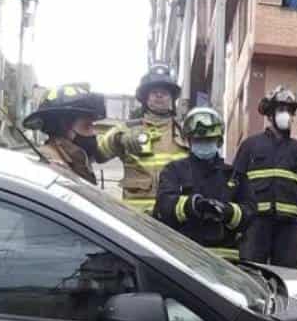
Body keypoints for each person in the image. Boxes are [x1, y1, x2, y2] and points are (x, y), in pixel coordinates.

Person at [233, 86, 297, 268]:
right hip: (255, 224)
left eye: (289, 111)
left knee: (287, 276)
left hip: (289, 227)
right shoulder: (250, 146)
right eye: (281, 110)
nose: (286, 115)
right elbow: (234, 183)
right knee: (252, 274)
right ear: (270, 115)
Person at [156, 107, 254, 261]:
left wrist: (226, 211)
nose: (204, 144)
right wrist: (192, 205)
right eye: (198, 140)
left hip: (227, 263)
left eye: (209, 140)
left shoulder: (234, 175)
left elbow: (250, 214)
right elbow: (164, 207)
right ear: (189, 141)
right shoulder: (174, 170)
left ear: (219, 141)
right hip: (185, 257)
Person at [99, 64, 189, 214]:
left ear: (172, 99)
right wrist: (118, 138)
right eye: (154, 92)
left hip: (173, 220)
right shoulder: (127, 129)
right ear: (145, 98)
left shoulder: (185, 133)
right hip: (137, 221)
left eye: (165, 93)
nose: (159, 96)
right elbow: (99, 154)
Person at [22, 83, 108, 184]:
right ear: (63, 127)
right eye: (86, 126)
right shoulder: (49, 167)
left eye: (93, 126)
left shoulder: (74, 159)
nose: (94, 133)